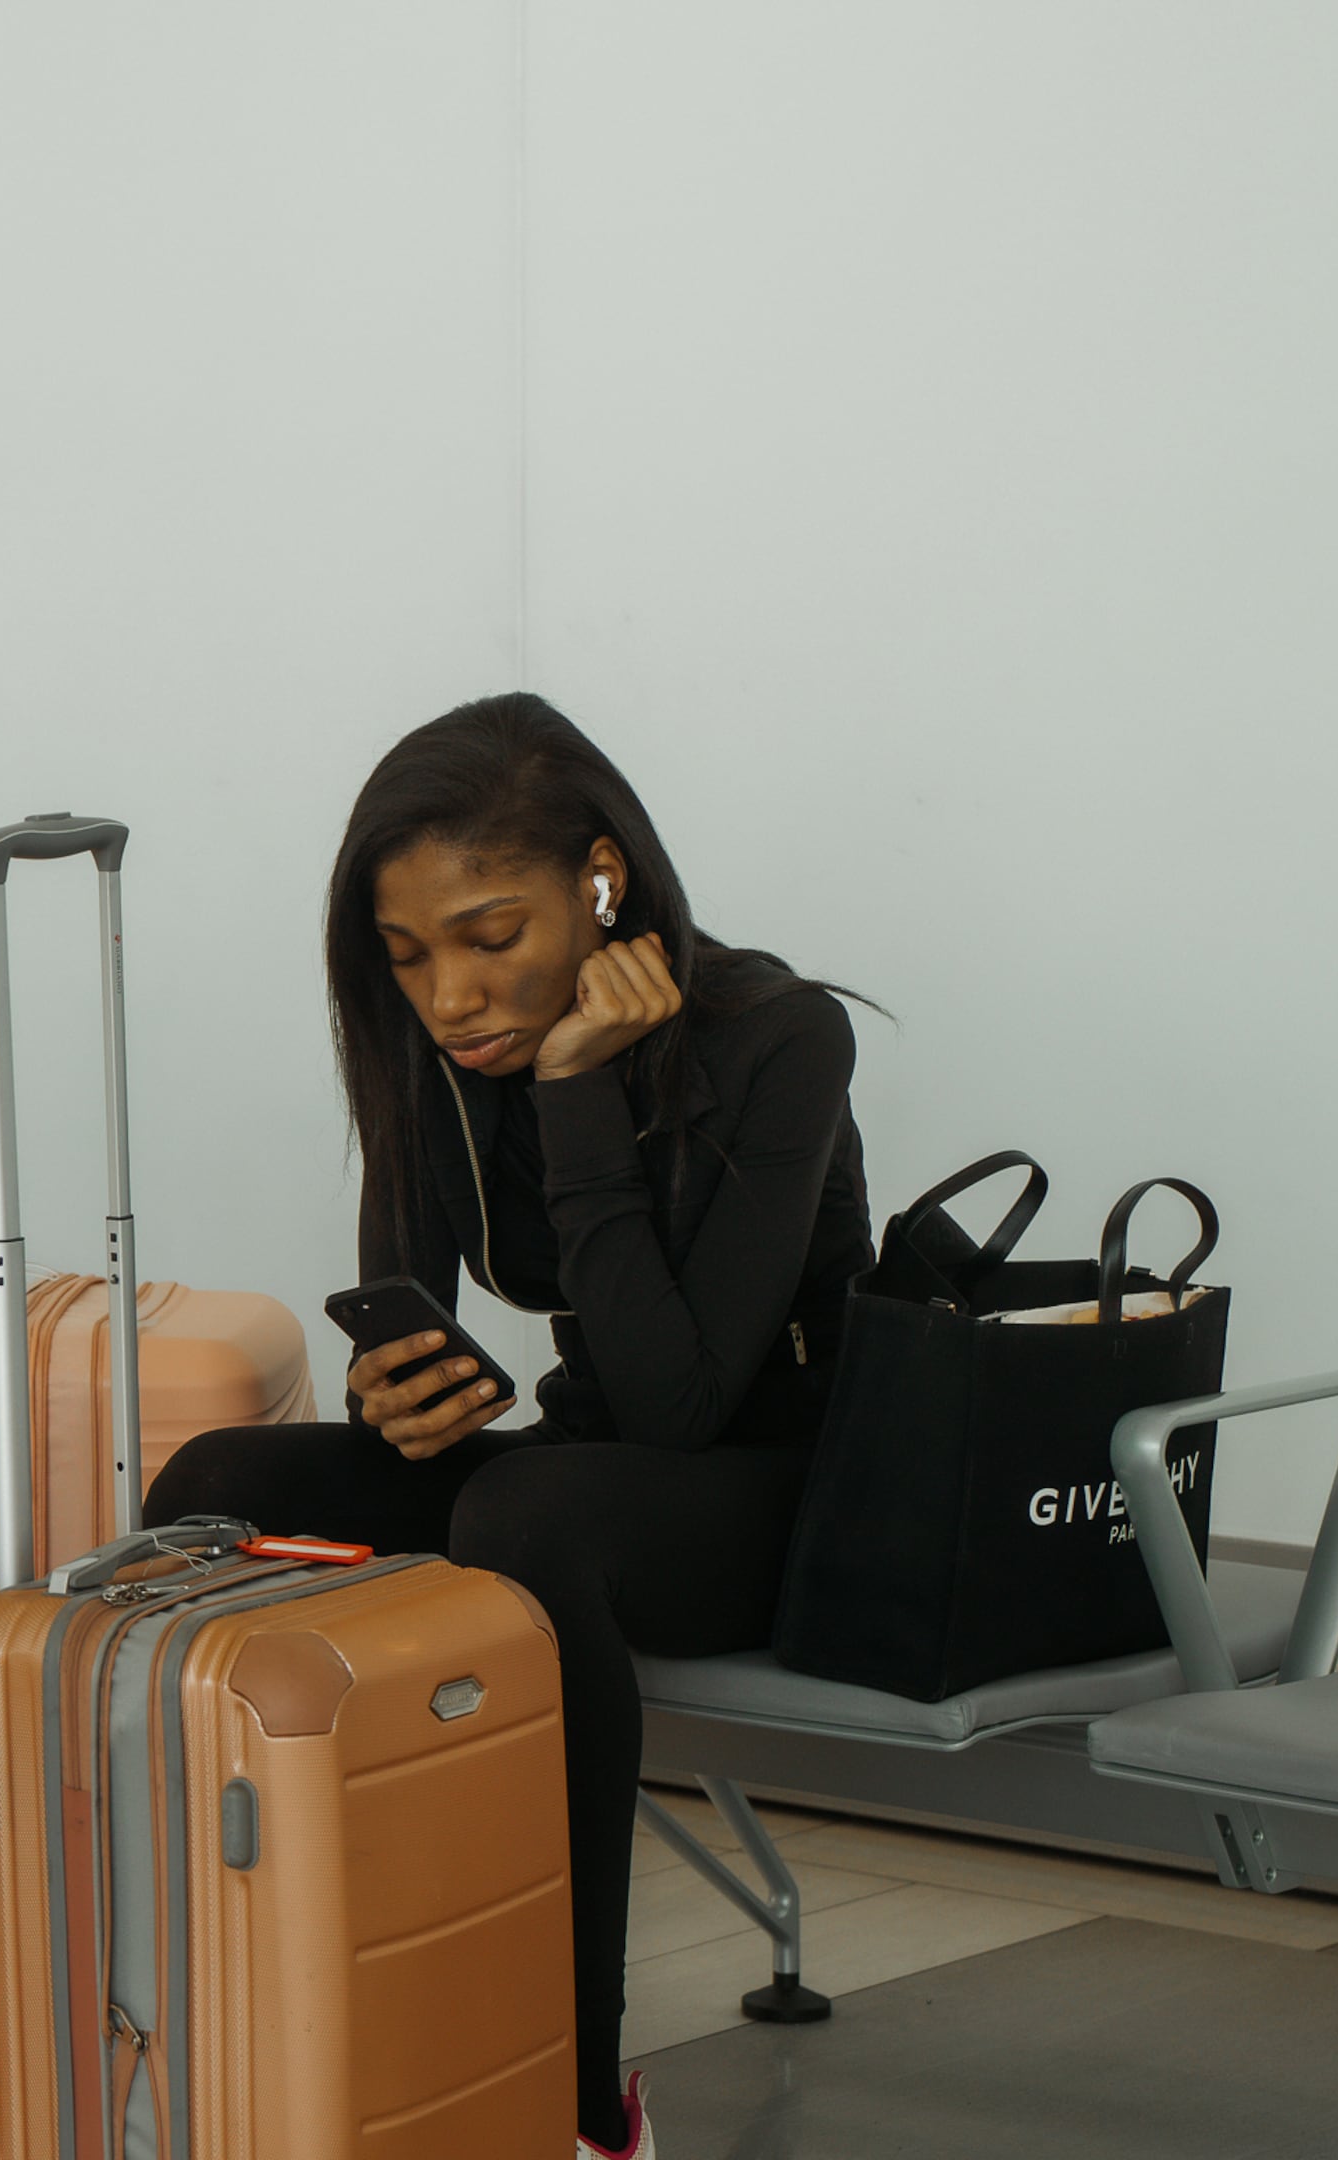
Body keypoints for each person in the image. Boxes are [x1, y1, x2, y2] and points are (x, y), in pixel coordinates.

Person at [140, 695, 871, 2160]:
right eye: (409, 959)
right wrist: (397, 1399)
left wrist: (576, 1090)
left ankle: (578, 2108)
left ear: (600, 885)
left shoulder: (784, 1039)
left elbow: (681, 1405)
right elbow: (408, 1298)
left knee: (530, 1520)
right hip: (584, 1480)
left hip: (786, 1495)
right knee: (216, 1483)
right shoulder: (438, 1058)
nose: (452, 999)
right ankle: (225, 2026)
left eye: (492, 938)